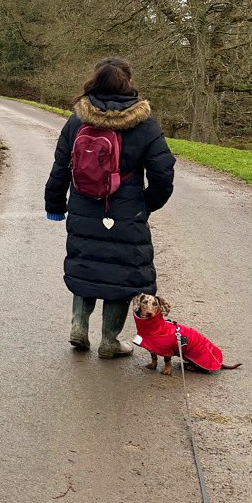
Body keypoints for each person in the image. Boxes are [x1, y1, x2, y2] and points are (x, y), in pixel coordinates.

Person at [44, 58, 175, 357]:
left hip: (83, 205)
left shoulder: (78, 120)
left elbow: (61, 165)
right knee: (122, 274)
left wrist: (55, 203)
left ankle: (78, 326)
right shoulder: (145, 124)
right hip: (127, 211)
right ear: (128, 82)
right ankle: (109, 341)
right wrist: (147, 203)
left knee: (85, 263)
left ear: (95, 81)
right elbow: (163, 172)